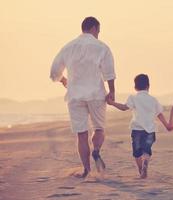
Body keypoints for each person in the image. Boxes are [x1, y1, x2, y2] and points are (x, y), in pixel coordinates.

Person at [50, 16, 116, 178]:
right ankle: (96, 150)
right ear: (93, 28)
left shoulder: (68, 47)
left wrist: (64, 80)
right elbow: (109, 72)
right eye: (98, 31)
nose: (98, 35)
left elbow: (54, 72)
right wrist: (112, 91)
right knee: (99, 128)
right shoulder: (102, 47)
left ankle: (86, 170)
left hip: (74, 95)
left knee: (81, 134)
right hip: (96, 94)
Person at [106, 74, 173, 179]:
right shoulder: (153, 100)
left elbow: (124, 107)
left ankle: (141, 169)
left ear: (135, 87)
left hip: (137, 129)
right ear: (148, 86)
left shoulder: (133, 98)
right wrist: (167, 125)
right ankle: (145, 163)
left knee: (137, 153)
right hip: (150, 130)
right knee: (147, 150)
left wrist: (112, 103)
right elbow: (159, 113)